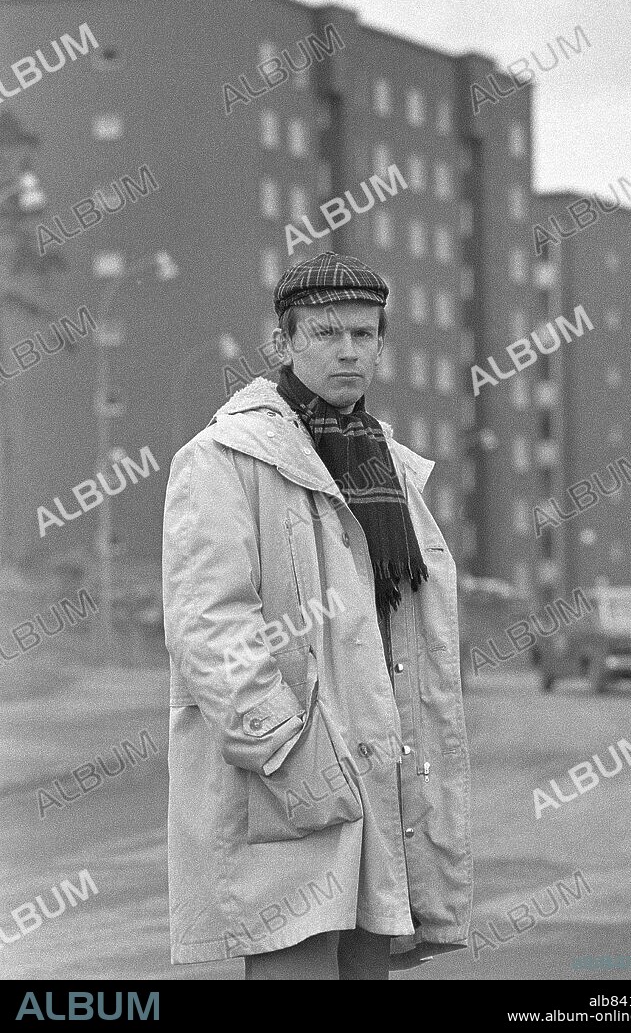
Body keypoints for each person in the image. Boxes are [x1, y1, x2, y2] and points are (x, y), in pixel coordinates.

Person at [162, 251, 472, 980]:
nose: (347, 349)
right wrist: (284, 744)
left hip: (379, 777)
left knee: (366, 971)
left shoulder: (388, 466)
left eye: (364, 335)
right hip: (288, 774)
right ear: (284, 342)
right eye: (326, 332)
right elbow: (209, 623)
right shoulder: (223, 457)